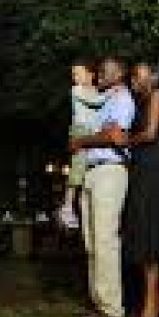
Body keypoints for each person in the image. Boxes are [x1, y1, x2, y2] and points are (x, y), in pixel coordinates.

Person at [108, 62, 159, 317]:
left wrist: (124, 140)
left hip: (155, 170)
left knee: (151, 240)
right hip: (144, 169)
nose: (135, 79)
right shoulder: (143, 99)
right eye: (134, 75)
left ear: (152, 76)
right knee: (144, 234)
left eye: (140, 75)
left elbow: (150, 133)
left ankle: (150, 310)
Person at [69, 55, 135, 317]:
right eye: (99, 71)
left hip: (110, 169)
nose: (99, 75)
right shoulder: (101, 99)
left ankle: (112, 309)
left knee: (105, 240)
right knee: (91, 242)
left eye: (106, 71)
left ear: (120, 73)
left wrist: (82, 140)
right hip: (91, 171)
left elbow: (114, 135)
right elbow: (96, 131)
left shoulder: (122, 99)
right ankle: (99, 303)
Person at [58, 57, 106, 230]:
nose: (75, 77)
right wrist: (110, 93)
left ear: (90, 74)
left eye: (78, 73)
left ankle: (75, 204)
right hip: (80, 130)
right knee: (77, 166)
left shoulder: (97, 89)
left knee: (86, 166)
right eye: (73, 74)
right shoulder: (77, 90)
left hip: (92, 133)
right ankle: (67, 206)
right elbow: (96, 102)